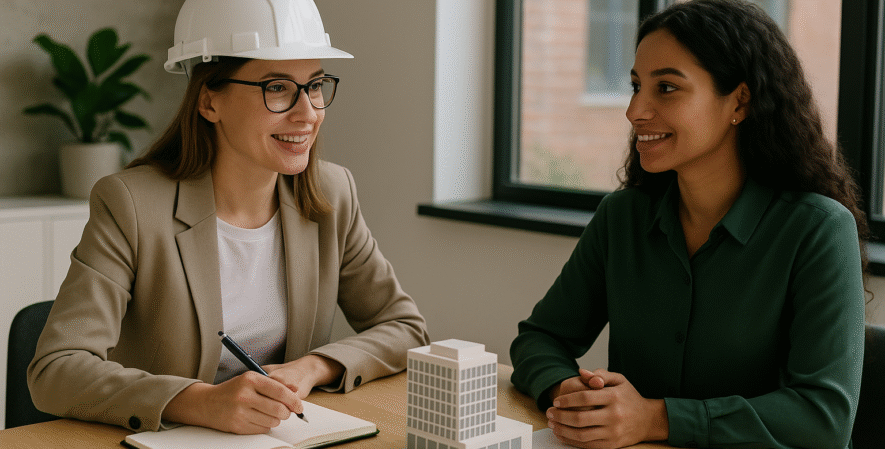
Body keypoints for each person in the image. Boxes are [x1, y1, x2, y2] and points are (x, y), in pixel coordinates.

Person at [27, 0, 429, 435]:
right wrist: (197, 401)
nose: (308, 113)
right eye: (276, 87)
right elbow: (56, 369)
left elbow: (405, 327)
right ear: (209, 102)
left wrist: (313, 367)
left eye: (314, 86)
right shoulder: (130, 204)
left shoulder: (331, 194)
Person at [510, 1, 868, 448]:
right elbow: (539, 339)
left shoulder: (817, 230)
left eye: (666, 88)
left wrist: (655, 418)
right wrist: (569, 392)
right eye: (636, 86)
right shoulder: (622, 218)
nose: (635, 110)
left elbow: (824, 418)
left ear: (739, 101)